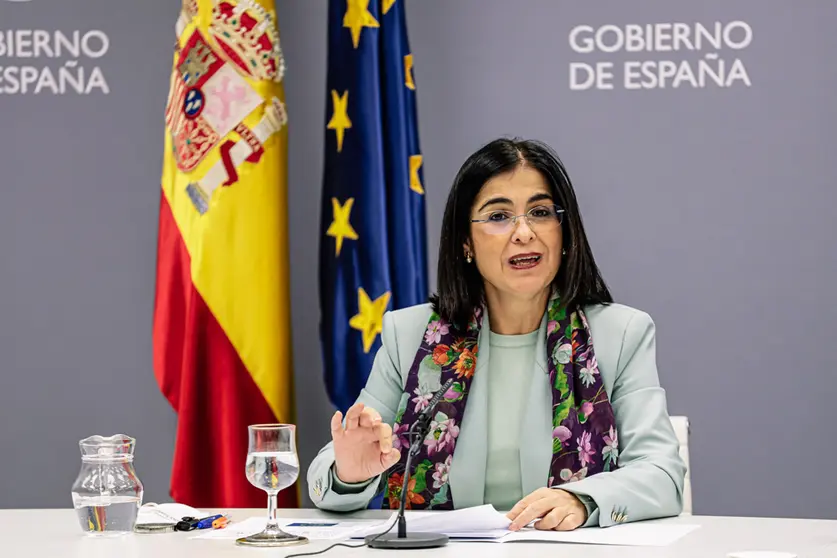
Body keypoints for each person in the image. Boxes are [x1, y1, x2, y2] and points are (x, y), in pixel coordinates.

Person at [307, 137, 686, 531]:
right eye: (499, 216)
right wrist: (349, 473)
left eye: (540, 212)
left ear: (564, 232)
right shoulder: (412, 336)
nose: (523, 232)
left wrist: (584, 500)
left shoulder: (620, 334)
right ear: (466, 243)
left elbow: (662, 474)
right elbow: (327, 475)